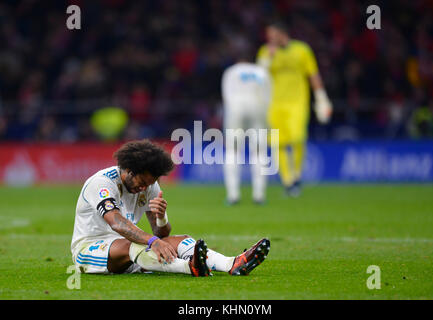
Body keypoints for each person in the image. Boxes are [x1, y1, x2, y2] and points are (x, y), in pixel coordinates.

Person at [71, 139, 270, 276]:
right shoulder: (102, 183)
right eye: (142, 182)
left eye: (149, 184)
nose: (144, 188)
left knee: (180, 240)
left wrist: (161, 217)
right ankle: (188, 267)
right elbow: (116, 222)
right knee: (139, 244)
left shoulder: (148, 185)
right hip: (89, 251)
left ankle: (232, 263)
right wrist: (152, 241)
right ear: (129, 171)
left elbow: (160, 233)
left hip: (127, 251)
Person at [257, 21, 333, 197]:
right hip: (273, 104)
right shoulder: (265, 52)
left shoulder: (302, 50)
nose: (269, 38)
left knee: (297, 138)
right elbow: (259, 78)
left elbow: (312, 74)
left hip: (297, 102)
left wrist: (321, 98)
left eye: (272, 34)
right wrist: (267, 58)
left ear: (282, 33)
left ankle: (297, 175)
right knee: (278, 143)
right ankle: (288, 182)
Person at [221, 53, 272, 205]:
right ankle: (259, 195)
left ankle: (233, 195)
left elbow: (227, 97)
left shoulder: (231, 71)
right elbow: (269, 97)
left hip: (236, 108)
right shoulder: (262, 72)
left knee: (232, 151)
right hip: (258, 108)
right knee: (259, 152)